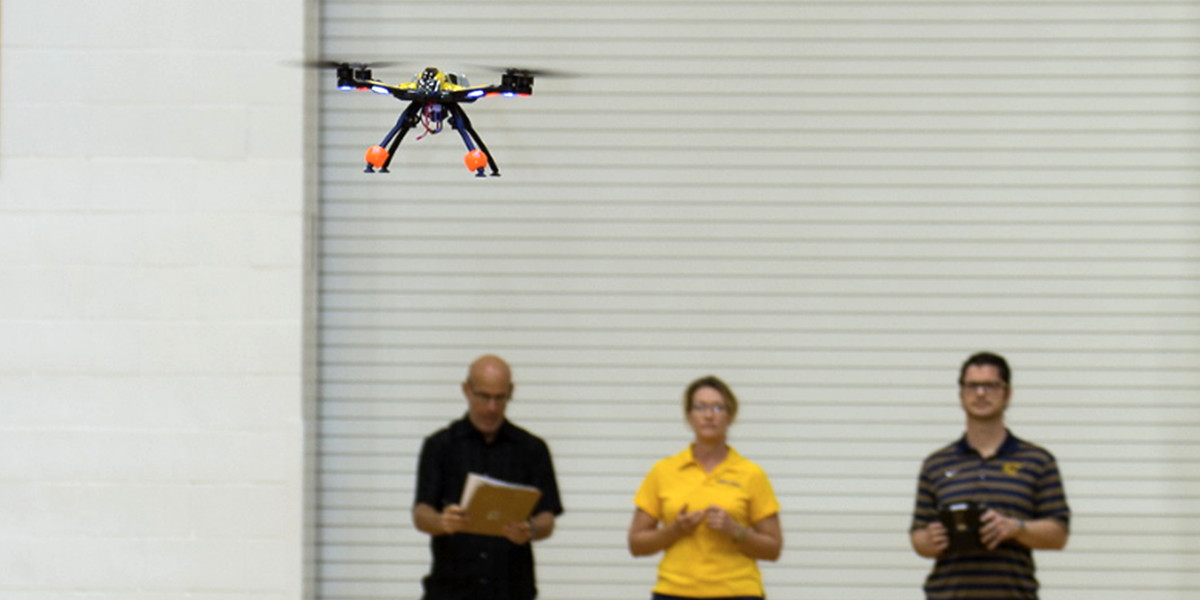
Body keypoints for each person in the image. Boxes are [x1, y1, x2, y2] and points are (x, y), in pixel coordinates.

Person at [910, 351, 1071, 600]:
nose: (981, 393)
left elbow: (1058, 534)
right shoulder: (937, 464)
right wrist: (930, 539)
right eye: (973, 386)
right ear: (961, 394)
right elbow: (918, 536)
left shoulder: (1037, 461)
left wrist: (1015, 528)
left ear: (1007, 394)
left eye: (991, 386)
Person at [412, 355, 564, 600]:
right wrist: (441, 522)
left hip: (511, 589)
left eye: (500, 398)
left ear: (511, 393)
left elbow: (547, 516)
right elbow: (421, 512)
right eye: (483, 396)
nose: (491, 407)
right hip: (451, 589)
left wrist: (531, 529)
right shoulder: (440, 446)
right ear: (466, 390)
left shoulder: (532, 449)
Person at [628, 375, 783, 600]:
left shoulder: (751, 474)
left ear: (731, 416)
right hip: (674, 592)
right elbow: (636, 544)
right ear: (689, 416)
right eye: (700, 407)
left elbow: (773, 549)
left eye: (718, 408)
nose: (709, 416)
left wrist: (735, 530)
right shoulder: (664, 471)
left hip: (737, 592)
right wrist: (675, 530)